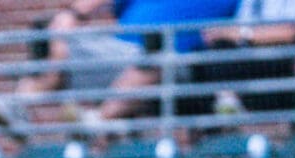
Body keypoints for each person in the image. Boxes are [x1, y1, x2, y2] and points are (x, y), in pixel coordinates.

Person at [50, 0, 242, 123]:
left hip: (177, 61)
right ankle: (31, 105)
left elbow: (246, 31)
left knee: (155, 58)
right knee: (55, 41)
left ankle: (98, 120)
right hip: (119, 50)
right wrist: (71, 14)